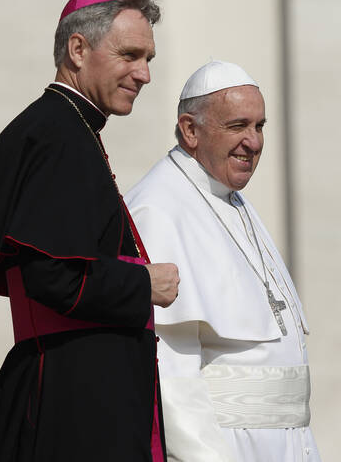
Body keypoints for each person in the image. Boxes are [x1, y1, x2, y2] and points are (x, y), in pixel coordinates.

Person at [0, 0, 179, 462]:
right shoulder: (60, 135)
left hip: (71, 384)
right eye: (130, 55)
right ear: (77, 49)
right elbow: (50, 275)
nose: (145, 73)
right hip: (74, 401)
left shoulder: (61, 126)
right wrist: (142, 283)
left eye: (148, 57)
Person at [125, 60, 322, 462]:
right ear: (190, 130)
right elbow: (169, 372)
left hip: (285, 443)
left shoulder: (230, 197)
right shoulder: (158, 209)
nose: (253, 142)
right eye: (237, 126)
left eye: (260, 126)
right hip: (229, 447)